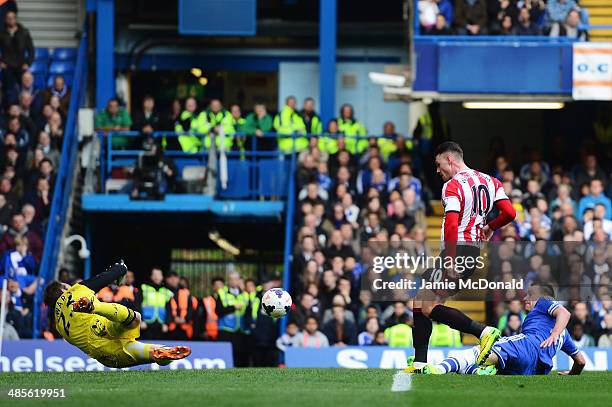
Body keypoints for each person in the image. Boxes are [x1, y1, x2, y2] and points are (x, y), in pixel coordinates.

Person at [407, 141, 516, 373]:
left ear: (450, 160)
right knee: (420, 301)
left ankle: (483, 332)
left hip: (458, 250)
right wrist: (491, 226)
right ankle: (419, 362)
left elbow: (452, 224)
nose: (437, 171)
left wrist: (450, 259)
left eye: (438, 165)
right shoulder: (490, 181)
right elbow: (510, 213)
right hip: (472, 250)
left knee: (428, 306)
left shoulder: (452, 186)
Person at [43, 261, 191, 368]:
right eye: (66, 285)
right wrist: (121, 268)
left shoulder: (59, 325)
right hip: (103, 325)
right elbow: (110, 275)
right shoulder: (74, 291)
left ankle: (161, 352)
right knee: (135, 318)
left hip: (103, 353)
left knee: (146, 352)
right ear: (63, 290)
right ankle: (95, 307)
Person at [418, 283, 585, 376]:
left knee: (475, 353)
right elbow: (581, 361)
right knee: (479, 366)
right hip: (533, 370)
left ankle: (436, 369)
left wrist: (554, 333)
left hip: (527, 346)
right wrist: (571, 374)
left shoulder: (544, 302)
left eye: (530, 294)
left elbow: (564, 312)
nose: (525, 298)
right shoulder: (565, 335)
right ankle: (477, 371)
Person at [215, 271, 250, 367]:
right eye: (231, 279)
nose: (234, 281)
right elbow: (218, 310)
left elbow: (248, 312)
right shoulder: (222, 293)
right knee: (226, 356)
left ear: (239, 280)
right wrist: (233, 307)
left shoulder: (245, 295)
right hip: (226, 330)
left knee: (240, 357)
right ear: (228, 281)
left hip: (240, 329)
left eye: (236, 279)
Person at [0, 11, 34, 93]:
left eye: (13, 18)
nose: (11, 20)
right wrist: (0, 62)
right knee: (8, 91)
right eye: (9, 18)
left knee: (22, 90)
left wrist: (27, 63)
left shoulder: (24, 32)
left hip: (21, 66)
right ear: (5, 20)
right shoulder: (1, 33)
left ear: (16, 19)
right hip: (7, 66)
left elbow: (31, 50)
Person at [138, 267, 173, 339]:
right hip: (146, 324)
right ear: (151, 276)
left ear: (162, 277)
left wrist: (166, 323)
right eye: (154, 274)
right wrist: (141, 321)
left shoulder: (166, 291)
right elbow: (137, 306)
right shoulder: (144, 288)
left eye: (158, 274)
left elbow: (169, 309)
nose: (156, 277)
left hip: (161, 325)